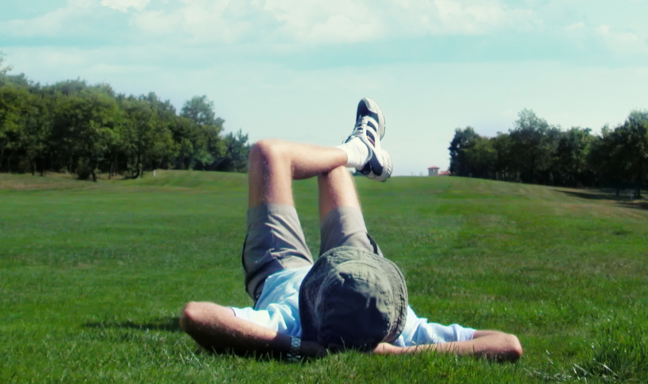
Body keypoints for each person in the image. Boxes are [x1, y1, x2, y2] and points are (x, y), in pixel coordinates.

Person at [180, 98, 523, 361]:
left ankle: (357, 150)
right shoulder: (400, 328)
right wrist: (401, 354)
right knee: (328, 169)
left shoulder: (289, 320)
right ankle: (358, 150)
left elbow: (196, 315)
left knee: (269, 153)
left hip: (283, 271)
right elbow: (508, 344)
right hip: (360, 264)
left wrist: (300, 347)